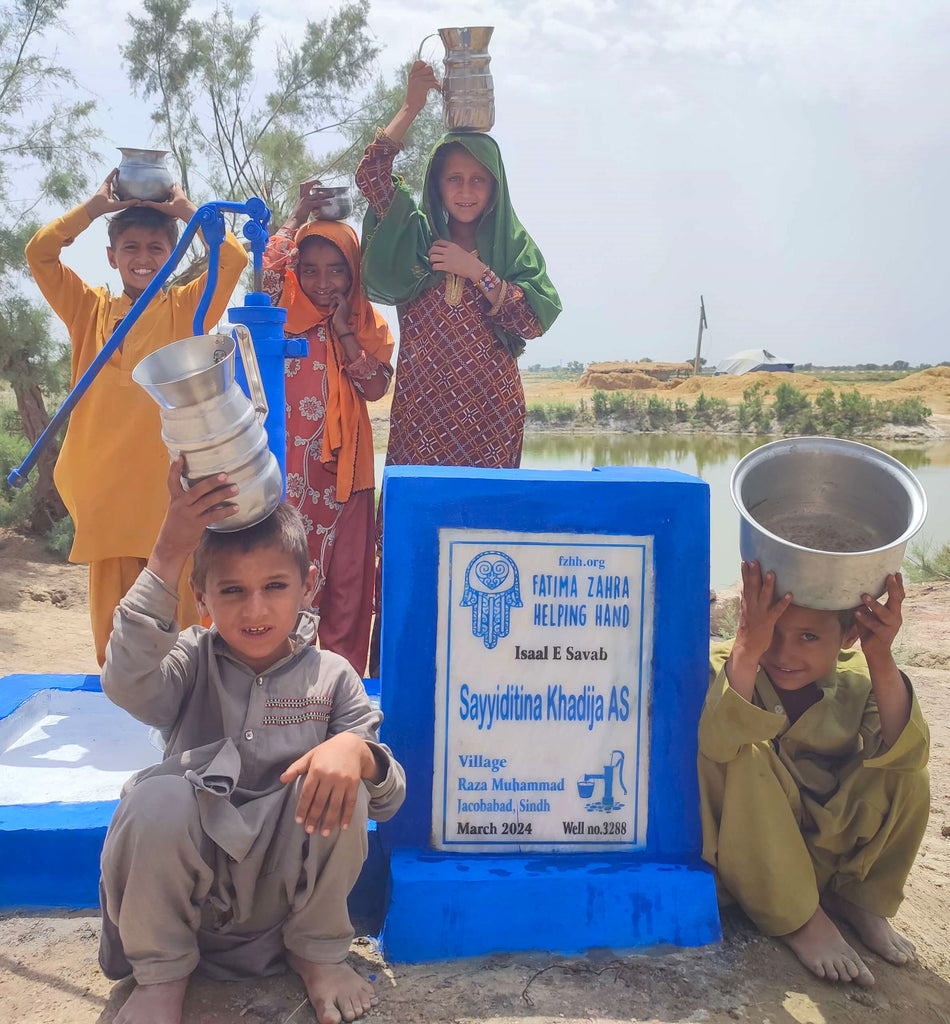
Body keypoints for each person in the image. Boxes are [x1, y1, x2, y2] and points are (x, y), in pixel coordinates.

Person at [97, 460, 406, 1024]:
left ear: (308, 586)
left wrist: (358, 754)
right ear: (202, 596)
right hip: (194, 902)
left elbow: (388, 798)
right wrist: (168, 550)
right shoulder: (190, 660)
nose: (255, 609)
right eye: (232, 591)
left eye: (275, 587)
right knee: (153, 800)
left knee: (345, 788)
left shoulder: (334, 676)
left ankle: (317, 957)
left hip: (281, 909)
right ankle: (162, 979)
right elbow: (126, 683)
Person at [25, 170, 248, 665]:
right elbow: (39, 253)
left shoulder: (185, 307)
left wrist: (186, 212)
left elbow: (231, 258)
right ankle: (117, 713)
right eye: (130, 248)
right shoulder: (88, 310)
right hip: (104, 489)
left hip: (167, 490)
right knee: (113, 630)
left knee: (183, 618)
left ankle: (187, 716)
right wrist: (94, 209)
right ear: (111, 256)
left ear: (172, 254)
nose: (143, 259)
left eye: (155, 248)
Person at [699, 561, 929, 988]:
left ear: (848, 636)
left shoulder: (859, 679)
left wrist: (880, 657)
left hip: (825, 848)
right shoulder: (728, 663)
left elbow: (906, 754)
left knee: (907, 769)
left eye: (809, 636)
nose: (784, 653)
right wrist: (748, 650)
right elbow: (718, 746)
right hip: (755, 856)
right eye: (772, 631)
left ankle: (859, 899)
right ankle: (800, 920)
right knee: (742, 753)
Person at [356, 60, 561, 474]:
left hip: (491, 419)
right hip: (421, 418)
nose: (466, 191)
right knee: (415, 526)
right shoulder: (415, 239)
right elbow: (371, 175)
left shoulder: (512, 247)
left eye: (478, 180)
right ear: (437, 183)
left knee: (484, 533)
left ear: (494, 185)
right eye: (454, 179)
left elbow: (532, 323)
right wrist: (411, 107)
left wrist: (477, 271)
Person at [261, 188, 394, 675]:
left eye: (336, 269)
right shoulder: (281, 314)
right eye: (310, 269)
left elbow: (378, 386)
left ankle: (341, 690)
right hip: (290, 477)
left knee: (345, 585)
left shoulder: (365, 322)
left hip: (345, 477)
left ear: (354, 271)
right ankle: (281, 684)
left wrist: (342, 331)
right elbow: (267, 270)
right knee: (287, 575)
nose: (322, 282)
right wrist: (296, 218)